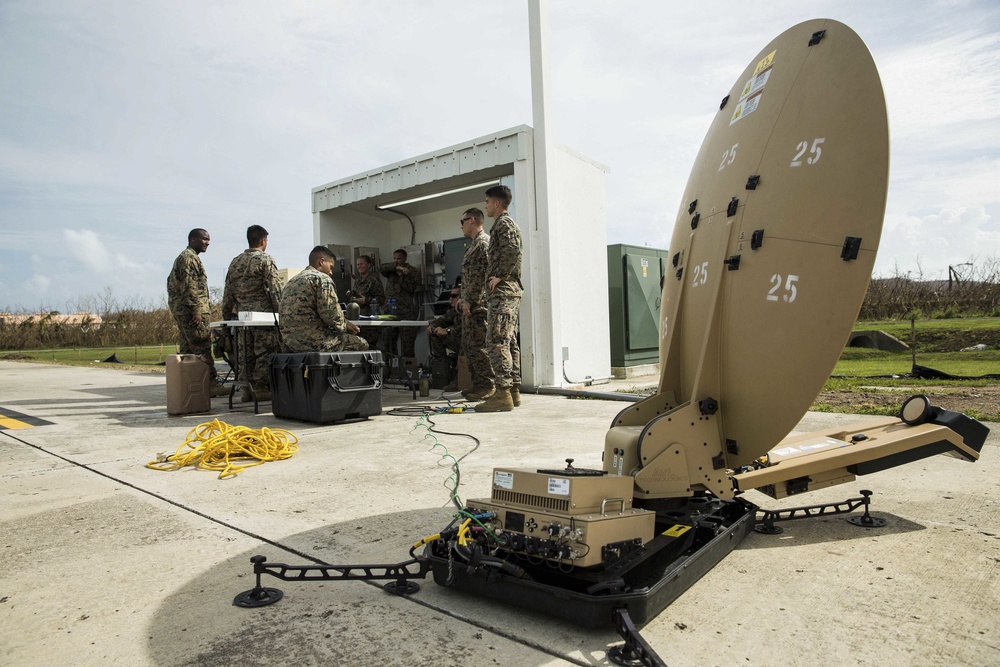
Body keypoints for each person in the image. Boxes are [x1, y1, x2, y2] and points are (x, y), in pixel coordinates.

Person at [221, 225, 282, 402]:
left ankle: (247, 389)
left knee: (245, 354)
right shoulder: (265, 260)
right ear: (263, 241)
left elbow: (228, 294)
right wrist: (282, 314)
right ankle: (261, 388)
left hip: (242, 319)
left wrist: (227, 319)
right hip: (264, 318)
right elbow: (275, 290)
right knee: (264, 352)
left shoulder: (235, 262)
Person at [167, 228, 228, 397]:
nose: (207, 242)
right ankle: (211, 384)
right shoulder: (188, 259)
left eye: (208, 239)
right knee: (201, 347)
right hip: (191, 312)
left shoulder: (186, 258)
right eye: (204, 239)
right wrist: (196, 311)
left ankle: (191, 385)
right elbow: (189, 287)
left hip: (184, 310)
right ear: (193, 239)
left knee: (188, 351)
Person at [477, 185, 522, 412]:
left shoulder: (504, 224)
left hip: (504, 292)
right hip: (507, 292)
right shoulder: (503, 225)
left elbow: (512, 249)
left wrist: (500, 276)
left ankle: (503, 393)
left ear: (496, 203)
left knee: (496, 340)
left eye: (487, 201)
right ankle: (512, 391)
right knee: (508, 340)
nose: (485, 206)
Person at [279, 246, 368, 353]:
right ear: (321, 262)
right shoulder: (322, 279)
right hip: (314, 341)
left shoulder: (292, 281)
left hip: (289, 343)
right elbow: (330, 314)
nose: (331, 272)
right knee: (362, 344)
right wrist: (346, 325)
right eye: (331, 267)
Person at [458, 208, 494, 400]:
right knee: (470, 346)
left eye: (462, 221)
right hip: (471, 305)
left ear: (471, 220)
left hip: (478, 306)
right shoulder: (473, 245)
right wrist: (462, 299)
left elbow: (480, 277)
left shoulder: (482, 244)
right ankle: (478, 384)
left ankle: (488, 385)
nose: (461, 226)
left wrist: (469, 300)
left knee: (479, 346)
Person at [378, 248, 420, 359]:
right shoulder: (391, 269)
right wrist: (396, 267)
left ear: (405, 259)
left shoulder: (412, 271)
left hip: (406, 312)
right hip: (390, 312)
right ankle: (392, 370)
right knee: (389, 343)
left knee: (408, 344)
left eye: (399, 259)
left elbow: (412, 288)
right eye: (394, 259)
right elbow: (381, 268)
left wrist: (402, 276)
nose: (396, 261)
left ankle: (408, 371)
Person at [426, 287, 463, 386]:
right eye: (450, 296)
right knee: (435, 335)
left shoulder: (467, 310)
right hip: (458, 341)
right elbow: (441, 320)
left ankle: (457, 377)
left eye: (454, 296)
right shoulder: (454, 311)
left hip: (468, 342)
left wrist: (447, 331)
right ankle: (443, 370)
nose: (451, 299)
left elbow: (465, 330)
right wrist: (432, 326)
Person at [349, 254, 385, 350]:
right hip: (357, 319)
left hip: (370, 321)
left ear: (369, 265)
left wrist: (366, 300)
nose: (359, 266)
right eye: (358, 265)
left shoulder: (374, 281)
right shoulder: (357, 281)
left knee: (370, 346)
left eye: (362, 264)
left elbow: (381, 299)